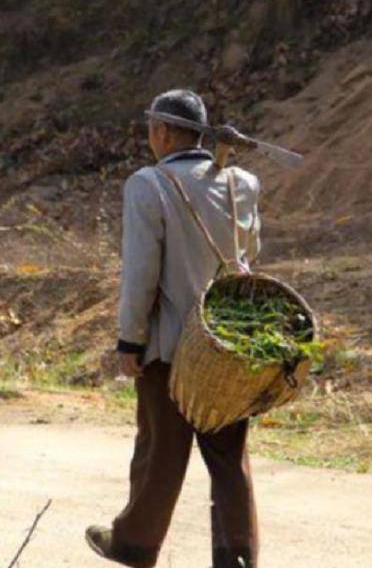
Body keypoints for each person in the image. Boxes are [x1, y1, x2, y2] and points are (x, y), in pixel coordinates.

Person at [86, 89, 262, 568]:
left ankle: (134, 546)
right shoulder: (241, 182)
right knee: (228, 457)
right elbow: (249, 256)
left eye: (150, 129)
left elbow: (141, 273)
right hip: (228, 345)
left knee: (161, 449)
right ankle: (238, 558)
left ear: (161, 131)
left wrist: (130, 339)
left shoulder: (149, 184)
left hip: (170, 347)